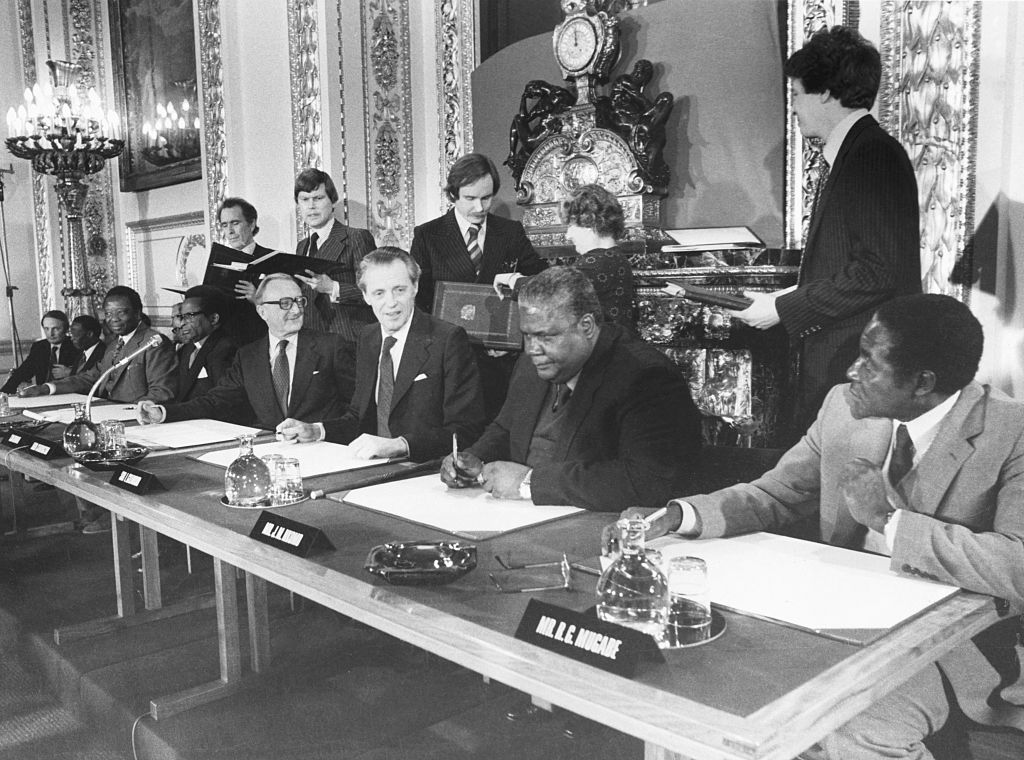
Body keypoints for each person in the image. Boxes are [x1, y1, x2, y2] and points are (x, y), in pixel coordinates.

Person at [639, 294, 1024, 759]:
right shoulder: (843, 407)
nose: (851, 373)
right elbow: (775, 494)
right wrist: (681, 515)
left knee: (852, 722)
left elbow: (1017, 563)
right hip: (829, 620)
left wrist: (887, 521)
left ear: (923, 382)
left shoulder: (1012, 432)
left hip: (954, 649)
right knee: (699, 681)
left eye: (868, 361)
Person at [729, 26, 920, 440]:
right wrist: (781, 299)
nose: (794, 107)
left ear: (827, 94)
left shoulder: (871, 156)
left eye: (797, 93)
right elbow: (856, 264)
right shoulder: (860, 153)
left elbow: (878, 271)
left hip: (858, 363)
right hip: (849, 358)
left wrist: (784, 308)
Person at [440, 266, 701, 511]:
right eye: (527, 335)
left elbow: (646, 481)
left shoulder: (646, 377)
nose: (532, 349)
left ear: (586, 326)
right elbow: (506, 428)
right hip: (513, 514)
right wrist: (470, 459)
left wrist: (530, 482)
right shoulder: (533, 363)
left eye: (546, 336)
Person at [276, 248, 485, 461]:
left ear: (415, 287)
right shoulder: (369, 337)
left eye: (399, 290)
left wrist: (401, 445)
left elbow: (465, 429)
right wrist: (317, 430)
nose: (391, 302)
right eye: (379, 293)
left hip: (427, 470)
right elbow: (359, 417)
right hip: (374, 467)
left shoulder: (448, 339)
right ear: (365, 296)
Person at [411, 153, 548, 418]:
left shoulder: (510, 232)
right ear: (452, 196)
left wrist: (512, 336)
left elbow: (539, 282)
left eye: (486, 198)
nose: (479, 207)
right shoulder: (427, 235)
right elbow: (420, 299)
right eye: (470, 199)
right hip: (450, 362)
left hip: (501, 361)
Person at [137, 274, 354, 430]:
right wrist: (163, 412)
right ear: (262, 311)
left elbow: (357, 410)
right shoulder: (249, 355)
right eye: (285, 303)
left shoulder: (331, 347)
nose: (297, 310)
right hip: (270, 451)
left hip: (322, 449)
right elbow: (216, 400)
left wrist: (319, 430)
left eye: (299, 301)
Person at [497, 184, 636, 332]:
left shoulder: (598, 263)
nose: (568, 235)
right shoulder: (615, 258)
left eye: (571, 226)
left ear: (589, 224)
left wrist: (512, 279)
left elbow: (548, 291)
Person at [19, 287, 175, 403]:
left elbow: (161, 392)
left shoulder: (154, 343)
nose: (113, 319)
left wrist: (131, 412)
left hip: (134, 418)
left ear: (138, 312)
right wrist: (46, 388)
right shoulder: (114, 344)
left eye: (120, 312)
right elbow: (89, 378)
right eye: (108, 313)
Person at [293, 169, 377, 344]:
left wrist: (333, 287)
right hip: (311, 339)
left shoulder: (356, 237)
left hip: (347, 340)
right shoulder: (302, 246)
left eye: (318, 198)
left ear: (332, 201)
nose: (311, 206)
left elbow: (374, 292)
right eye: (305, 200)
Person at [217, 197, 271, 345]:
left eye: (235, 223)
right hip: (225, 344)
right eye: (224, 225)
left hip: (259, 341)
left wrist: (257, 299)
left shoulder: (272, 259)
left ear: (251, 224)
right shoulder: (219, 262)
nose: (230, 231)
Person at [172, 286, 238, 403]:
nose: (182, 323)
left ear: (213, 319)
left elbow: (222, 400)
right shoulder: (187, 349)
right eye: (181, 317)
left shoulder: (226, 349)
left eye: (190, 316)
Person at [2, 310, 81, 392]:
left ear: (66, 329)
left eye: (56, 329)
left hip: (69, 394)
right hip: (44, 395)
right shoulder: (39, 347)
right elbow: (22, 372)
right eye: (46, 329)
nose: (50, 333)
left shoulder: (76, 346)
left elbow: (90, 375)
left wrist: (70, 372)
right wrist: (3, 393)